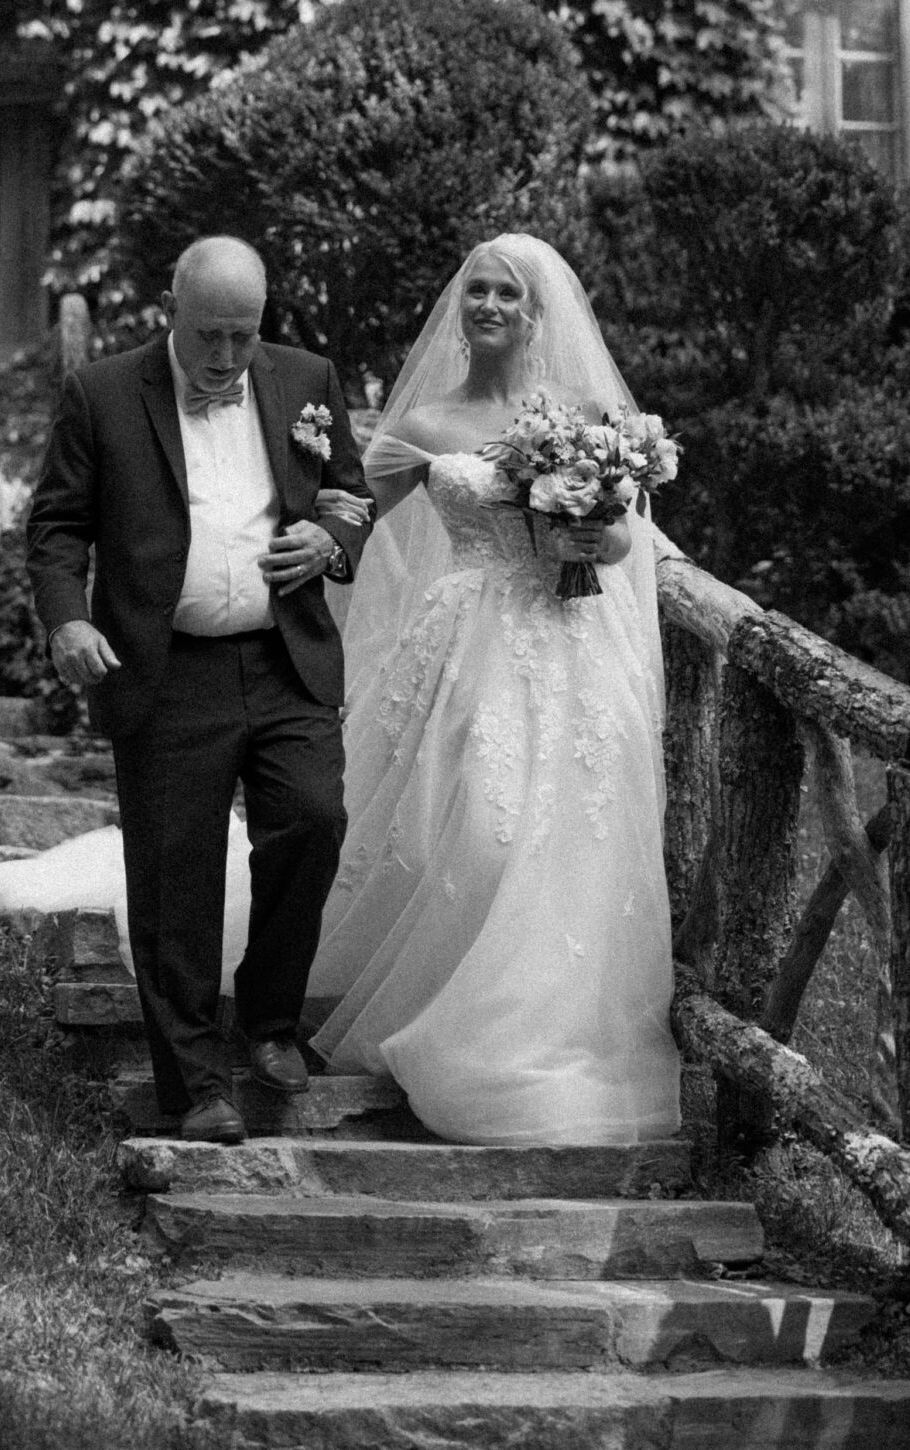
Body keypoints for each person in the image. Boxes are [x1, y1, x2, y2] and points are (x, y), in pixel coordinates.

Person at [305, 233, 681, 1147]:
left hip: (572, 645)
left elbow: (628, 538)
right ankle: (433, 994)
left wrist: (601, 539)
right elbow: (354, 515)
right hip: (468, 640)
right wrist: (313, 521)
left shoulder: (587, 414)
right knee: (474, 825)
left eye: (508, 294)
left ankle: (533, 1020)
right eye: (477, 291)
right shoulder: (427, 427)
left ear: (538, 313)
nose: (489, 307)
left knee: (571, 835)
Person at [21, 236, 372, 1145]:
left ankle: (266, 1017)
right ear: (170, 309)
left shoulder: (306, 378)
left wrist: (331, 542)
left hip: (285, 655)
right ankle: (195, 1085)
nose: (225, 357)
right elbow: (57, 526)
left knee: (314, 818)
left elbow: (350, 495)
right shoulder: (102, 393)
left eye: (242, 337)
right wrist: (68, 620)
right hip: (168, 668)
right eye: (208, 334)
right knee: (176, 877)